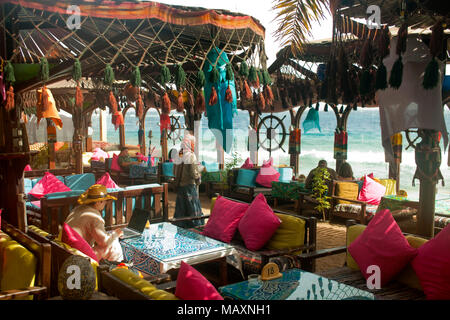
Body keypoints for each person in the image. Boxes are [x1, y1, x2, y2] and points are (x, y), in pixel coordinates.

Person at [64, 184, 124, 262]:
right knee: (114, 246)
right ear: (99, 202)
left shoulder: (77, 209)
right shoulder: (94, 217)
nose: (106, 203)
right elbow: (104, 243)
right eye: (105, 201)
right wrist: (116, 234)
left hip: (66, 250)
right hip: (78, 256)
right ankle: (117, 270)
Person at [172, 131, 203, 228]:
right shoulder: (190, 155)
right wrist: (199, 176)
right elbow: (193, 173)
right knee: (192, 210)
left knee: (181, 211)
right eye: (193, 143)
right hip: (189, 186)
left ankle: (180, 229)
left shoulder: (179, 154)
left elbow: (174, 170)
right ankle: (195, 229)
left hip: (180, 186)